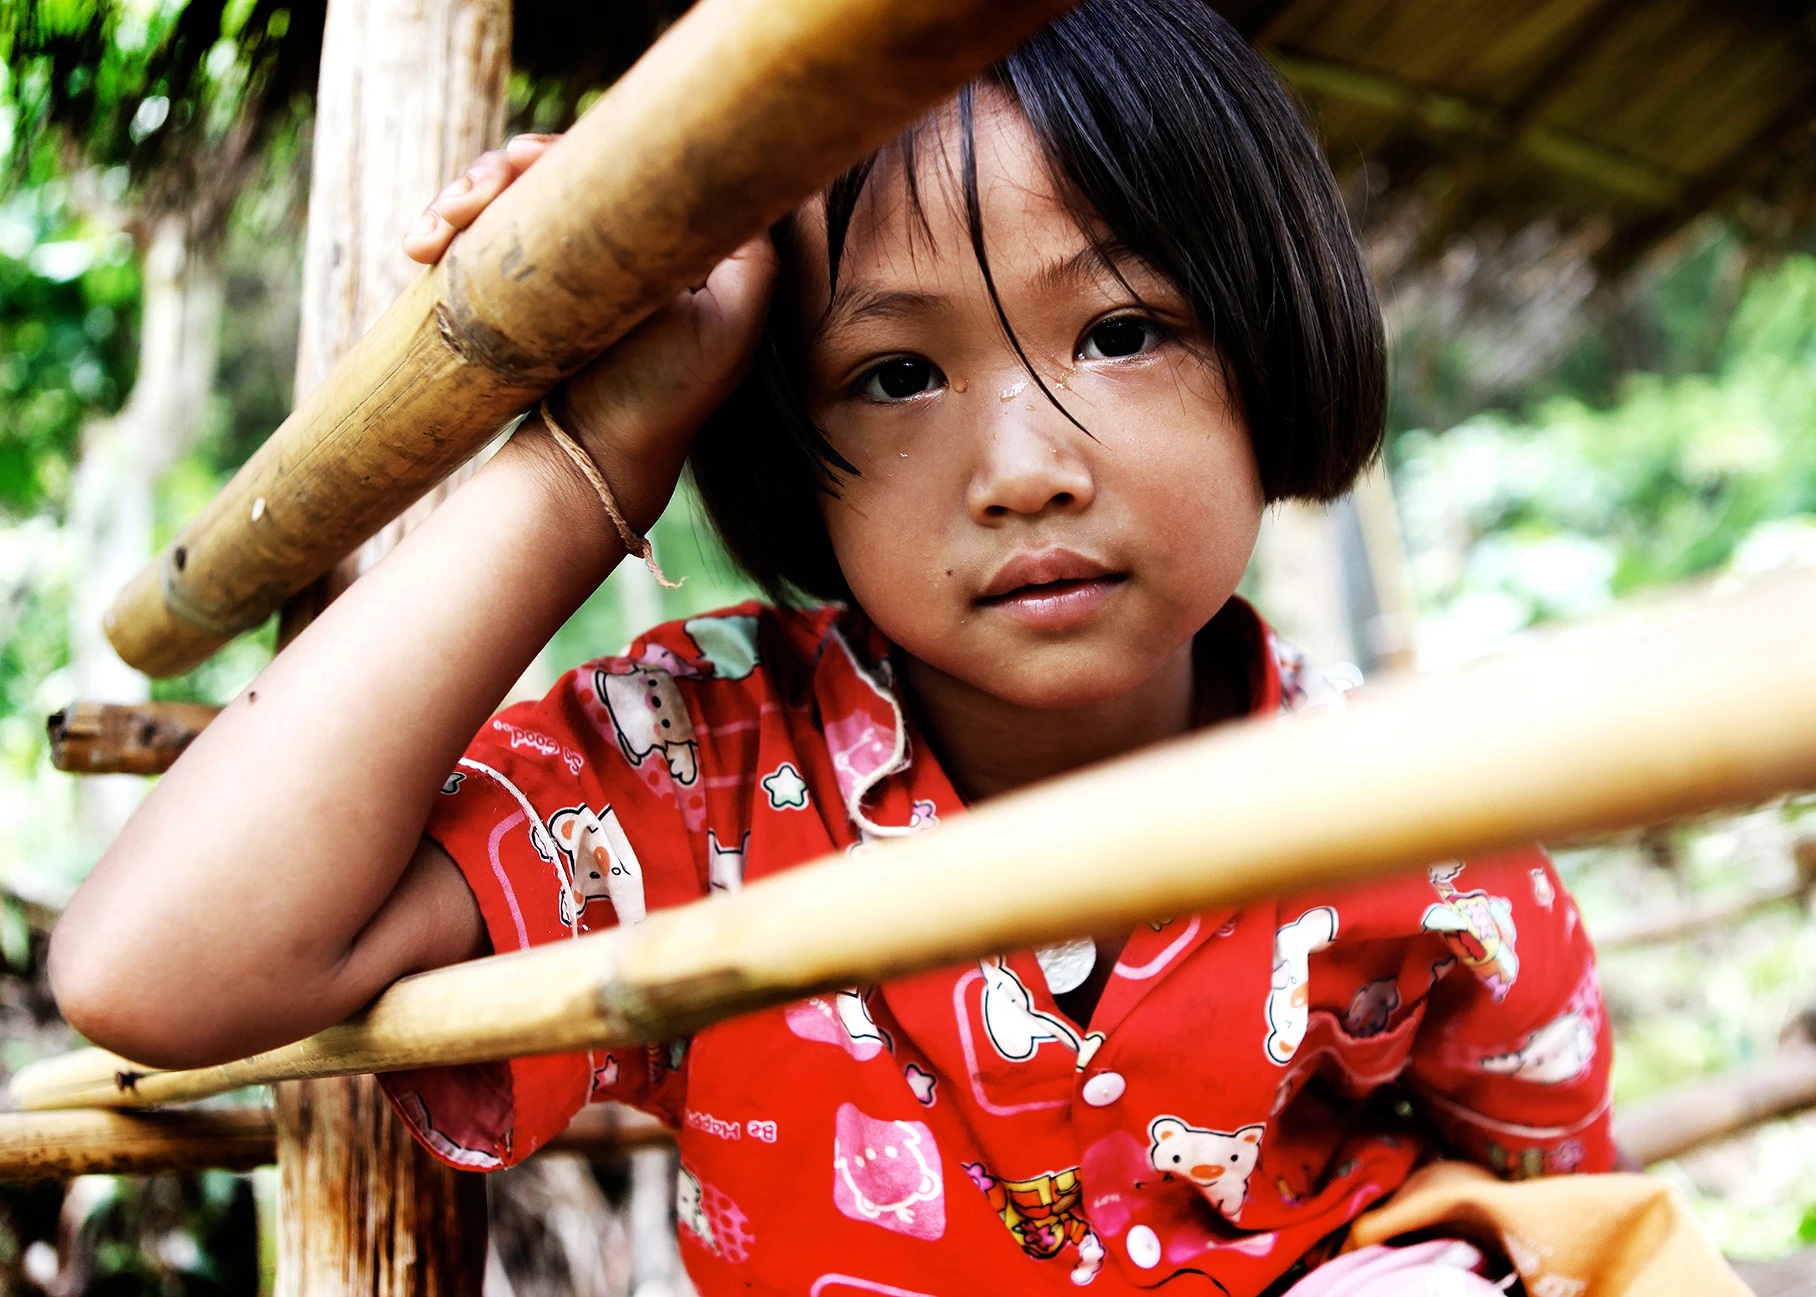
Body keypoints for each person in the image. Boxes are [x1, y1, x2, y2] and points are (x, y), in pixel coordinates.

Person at [48, 2, 1614, 1292]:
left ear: (1271, 336)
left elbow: (1567, 1222)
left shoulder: (1432, 838)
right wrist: (595, 449)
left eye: (1122, 332)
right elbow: (155, 969)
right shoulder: (699, 778)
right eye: (892, 373)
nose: (1025, 467)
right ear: (778, 427)